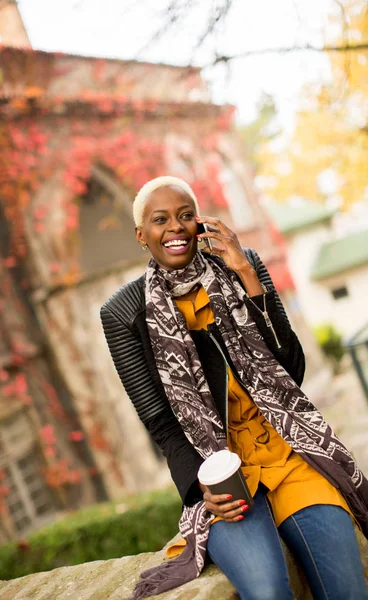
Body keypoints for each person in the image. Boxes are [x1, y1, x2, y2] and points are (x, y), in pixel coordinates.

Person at [100, 176, 368, 600]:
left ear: (200, 223)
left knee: (349, 591)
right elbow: (162, 425)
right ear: (141, 235)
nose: (176, 227)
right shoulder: (122, 313)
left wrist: (245, 273)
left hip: (288, 452)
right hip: (221, 474)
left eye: (186, 216)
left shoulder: (242, 265)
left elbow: (290, 369)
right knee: (267, 591)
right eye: (161, 220)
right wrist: (201, 490)